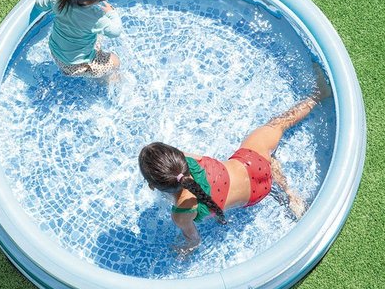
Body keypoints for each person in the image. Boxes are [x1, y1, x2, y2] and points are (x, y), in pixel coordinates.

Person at [138, 70, 332, 252]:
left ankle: (287, 189)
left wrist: (182, 251)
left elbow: (194, 240)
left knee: (268, 154)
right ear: (178, 157)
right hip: (255, 164)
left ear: (152, 186)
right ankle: (317, 96)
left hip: (256, 196)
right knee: (277, 124)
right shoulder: (189, 160)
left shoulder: (181, 213)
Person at [36, 0, 122, 77]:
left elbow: (40, 3)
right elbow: (115, 32)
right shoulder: (96, 18)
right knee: (115, 61)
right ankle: (109, 80)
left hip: (57, 53)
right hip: (80, 65)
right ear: (97, 0)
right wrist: (112, 13)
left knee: (94, 37)